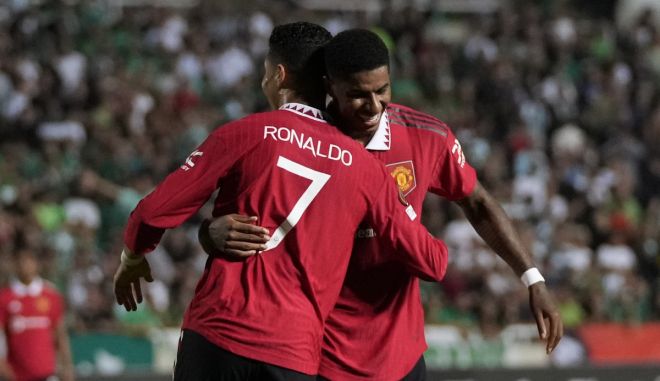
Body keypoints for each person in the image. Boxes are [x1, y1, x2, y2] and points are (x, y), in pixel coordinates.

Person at [200, 28, 563, 380]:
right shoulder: (295, 142)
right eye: (358, 94)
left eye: (382, 90)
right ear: (330, 87)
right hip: (319, 357)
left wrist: (533, 279)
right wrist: (208, 235)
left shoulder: (426, 137)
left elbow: (477, 202)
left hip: (399, 359)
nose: (374, 106)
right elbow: (257, 224)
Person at [112, 22, 450, 380]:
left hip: (218, 332)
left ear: (278, 74)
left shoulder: (245, 133)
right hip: (292, 354)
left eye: (264, 73)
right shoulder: (367, 170)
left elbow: (151, 212)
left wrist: (133, 257)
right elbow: (433, 264)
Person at [0, 249, 75, 381]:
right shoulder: (5, 297)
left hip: (47, 372)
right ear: (14, 264)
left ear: (36, 264)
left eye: (29, 261)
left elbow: (60, 334)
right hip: (17, 374)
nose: (24, 265)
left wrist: (67, 366)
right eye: (20, 261)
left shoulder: (51, 296)